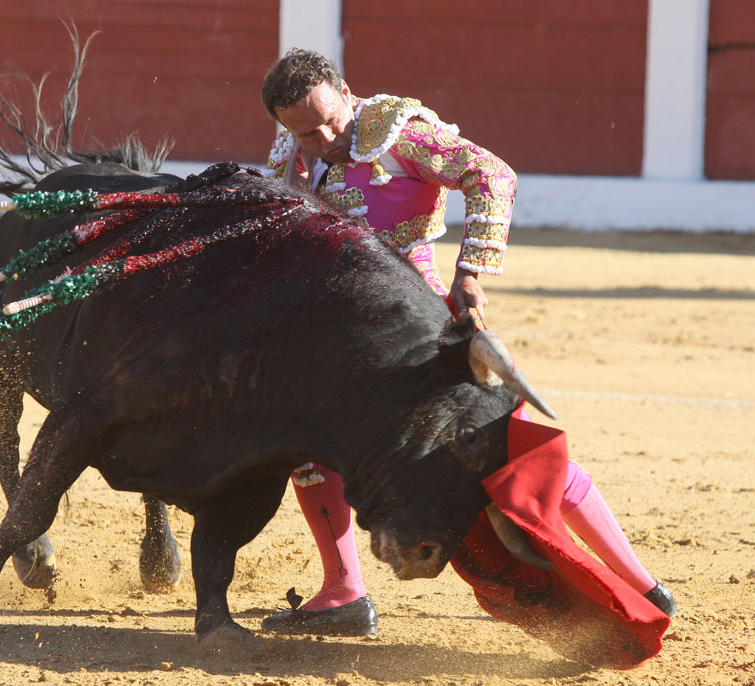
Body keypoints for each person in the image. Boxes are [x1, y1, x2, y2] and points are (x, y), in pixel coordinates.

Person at [258, 48, 677, 636]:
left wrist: (472, 271)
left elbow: (492, 175)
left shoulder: (398, 134)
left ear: (345, 89)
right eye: (304, 131)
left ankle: (639, 580)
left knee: (509, 451)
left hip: (420, 324)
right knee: (309, 449)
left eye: (329, 119)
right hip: (341, 337)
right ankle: (343, 591)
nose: (323, 137)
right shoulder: (290, 153)